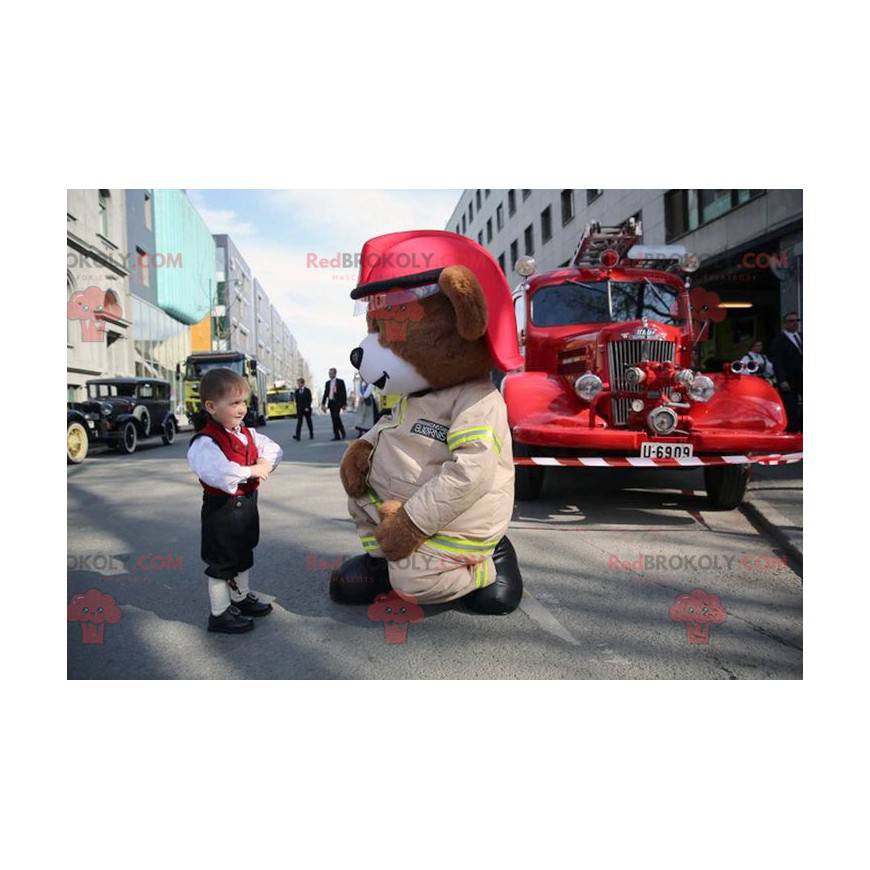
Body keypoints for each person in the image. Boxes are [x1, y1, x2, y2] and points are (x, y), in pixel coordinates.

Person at [187, 368, 283, 634]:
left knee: (243, 554)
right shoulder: (205, 442)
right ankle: (219, 613)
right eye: (233, 403)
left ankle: (240, 597)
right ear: (211, 406)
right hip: (222, 510)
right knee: (221, 562)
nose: (241, 409)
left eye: (243, 402)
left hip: (247, 505)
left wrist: (263, 461)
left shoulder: (247, 433)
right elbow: (218, 472)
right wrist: (251, 470)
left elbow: (272, 449)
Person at [770, 311, 803, 432]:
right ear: (785, 324)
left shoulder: (801, 336)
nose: (795, 323)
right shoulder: (779, 340)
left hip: (802, 376)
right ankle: (793, 430)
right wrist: (782, 379)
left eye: (797, 321)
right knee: (791, 406)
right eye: (791, 321)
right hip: (789, 378)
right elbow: (777, 362)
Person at [321, 367, 347, 440]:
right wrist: (323, 404)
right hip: (331, 403)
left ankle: (338, 434)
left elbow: (344, 393)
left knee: (336, 417)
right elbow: (325, 394)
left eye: (331, 373)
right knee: (334, 419)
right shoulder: (327, 383)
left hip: (338, 403)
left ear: (335, 374)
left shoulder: (340, 382)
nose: (330, 375)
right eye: (329, 373)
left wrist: (344, 404)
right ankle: (340, 432)